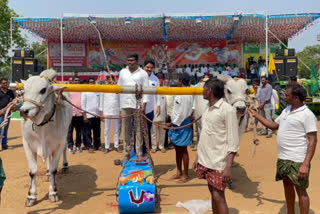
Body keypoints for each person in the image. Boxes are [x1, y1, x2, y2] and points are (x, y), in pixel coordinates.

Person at [249, 83, 317, 214]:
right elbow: (274, 125)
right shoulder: (287, 110)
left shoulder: (307, 115)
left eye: (287, 95)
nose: (284, 97)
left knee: (301, 190)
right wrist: (256, 115)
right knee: (287, 185)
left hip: (298, 160)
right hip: (283, 158)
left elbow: (313, 140)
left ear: (296, 97)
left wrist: (306, 164)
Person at [193, 78, 239, 214]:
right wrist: (198, 157)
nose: (202, 91)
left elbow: (233, 142)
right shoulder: (207, 108)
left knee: (219, 196)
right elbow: (205, 136)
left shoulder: (227, 110)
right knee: (213, 194)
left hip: (219, 162)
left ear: (210, 91)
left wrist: (228, 167)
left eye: (204, 89)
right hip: (206, 160)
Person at [118, 53, 149, 161]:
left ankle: (139, 153)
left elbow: (146, 90)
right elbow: (119, 89)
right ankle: (126, 152)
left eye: (131, 60)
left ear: (137, 61)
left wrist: (144, 105)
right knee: (126, 130)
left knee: (138, 130)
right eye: (128, 60)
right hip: (125, 105)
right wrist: (119, 107)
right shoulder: (122, 72)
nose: (129, 62)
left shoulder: (143, 74)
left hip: (138, 105)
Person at [166, 73, 194, 183]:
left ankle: (185, 175)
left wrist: (172, 123)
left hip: (182, 124)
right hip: (177, 123)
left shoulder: (186, 94)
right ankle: (179, 171)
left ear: (180, 81)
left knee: (183, 150)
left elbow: (182, 113)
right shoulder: (181, 92)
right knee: (177, 148)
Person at [100, 77, 122, 153]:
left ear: (114, 80)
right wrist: (101, 112)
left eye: (111, 79)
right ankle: (107, 146)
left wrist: (120, 111)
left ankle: (116, 145)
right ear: (107, 80)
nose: (110, 81)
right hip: (107, 111)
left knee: (116, 129)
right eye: (109, 79)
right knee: (106, 130)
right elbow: (101, 101)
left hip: (116, 110)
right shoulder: (104, 88)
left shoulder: (117, 89)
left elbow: (120, 100)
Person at [143, 59, 161, 151]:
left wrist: (158, 106)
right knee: (138, 130)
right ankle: (138, 149)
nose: (149, 69)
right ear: (144, 67)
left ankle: (146, 149)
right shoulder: (140, 77)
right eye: (147, 67)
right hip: (139, 109)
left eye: (151, 68)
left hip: (150, 109)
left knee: (148, 129)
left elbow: (158, 94)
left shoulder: (155, 79)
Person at [81, 77, 102, 151]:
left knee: (97, 131)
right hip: (88, 115)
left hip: (97, 115)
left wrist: (100, 113)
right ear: (88, 83)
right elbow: (83, 105)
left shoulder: (98, 91)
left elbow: (100, 103)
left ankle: (97, 145)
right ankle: (89, 146)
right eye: (90, 82)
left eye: (93, 82)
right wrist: (84, 116)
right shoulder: (85, 92)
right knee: (88, 132)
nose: (92, 83)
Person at [67, 76, 84, 154]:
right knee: (70, 131)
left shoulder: (81, 90)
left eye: (78, 80)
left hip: (79, 114)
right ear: (72, 81)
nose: (77, 81)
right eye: (75, 80)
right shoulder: (69, 89)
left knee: (79, 131)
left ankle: (78, 145)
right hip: (71, 114)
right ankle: (70, 146)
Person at [0, 78, 16, 150]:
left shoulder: (10, 92)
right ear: (0, 84)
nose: (5, 84)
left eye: (6, 83)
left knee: (5, 128)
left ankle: (4, 144)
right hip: (0, 113)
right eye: (4, 83)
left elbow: (14, 99)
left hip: (7, 113)